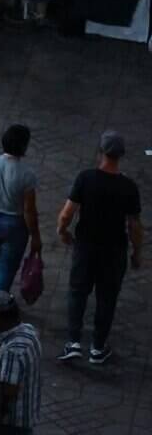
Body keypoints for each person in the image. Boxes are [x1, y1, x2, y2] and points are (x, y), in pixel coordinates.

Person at [58, 128, 143, 364]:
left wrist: (62, 231)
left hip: (85, 246)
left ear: (101, 151)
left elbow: (67, 213)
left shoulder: (85, 178)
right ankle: (97, 347)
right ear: (121, 155)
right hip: (114, 251)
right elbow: (134, 225)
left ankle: (74, 342)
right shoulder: (129, 187)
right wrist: (137, 252)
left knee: (78, 293)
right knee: (107, 298)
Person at [0, 123, 43, 297]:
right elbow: (29, 210)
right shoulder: (27, 174)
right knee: (8, 268)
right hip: (14, 225)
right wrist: (35, 236)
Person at [0, 290, 41, 435]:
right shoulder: (29, 330)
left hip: (10, 422)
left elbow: (9, 390)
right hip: (27, 412)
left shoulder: (13, 352)